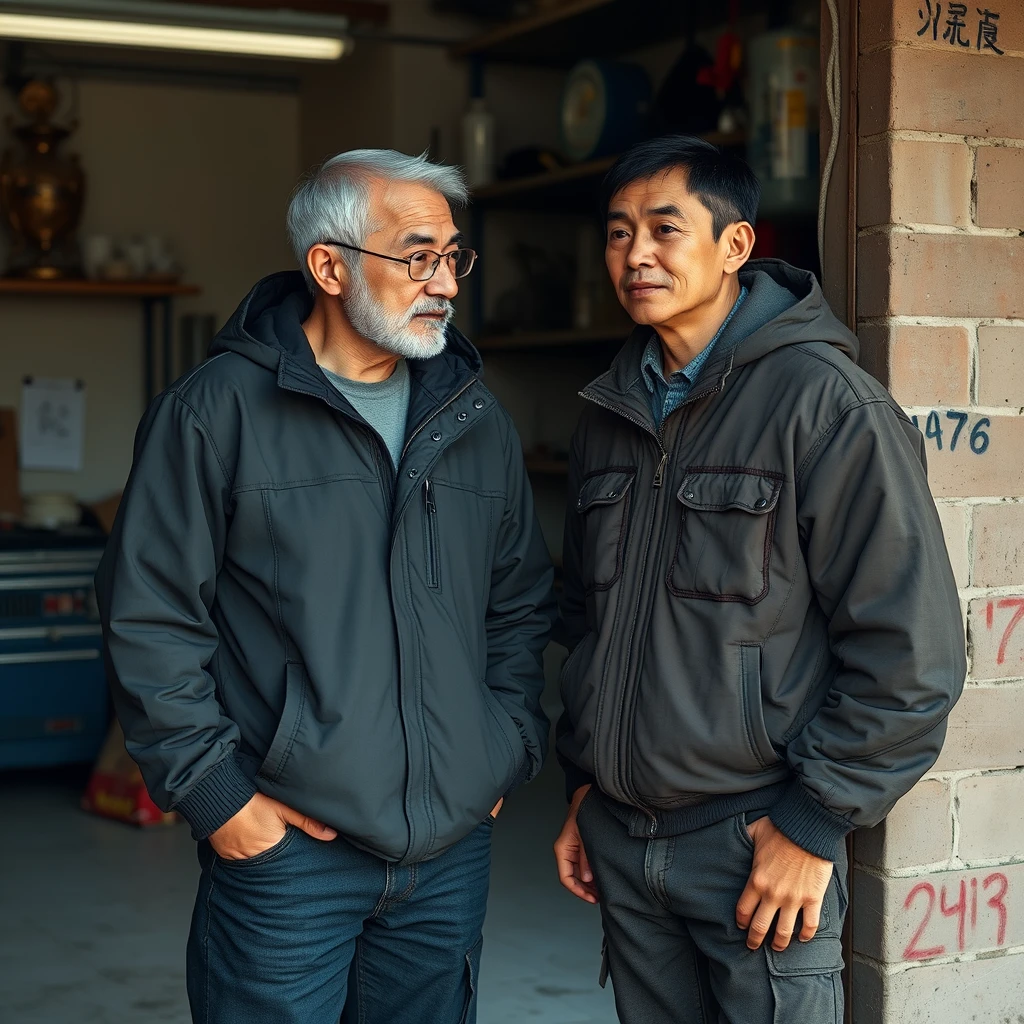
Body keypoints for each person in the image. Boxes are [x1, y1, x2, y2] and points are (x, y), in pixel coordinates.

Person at [96, 149, 556, 1024]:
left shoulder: (474, 419)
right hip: (288, 855)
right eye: (417, 255)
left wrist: (504, 745)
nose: (446, 283)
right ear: (329, 266)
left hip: (449, 853)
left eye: (454, 256)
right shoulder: (214, 412)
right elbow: (149, 618)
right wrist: (219, 799)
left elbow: (520, 602)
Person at [552, 135, 965, 1023]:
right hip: (624, 844)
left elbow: (913, 653)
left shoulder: (824, 405)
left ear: (736, 246)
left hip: (753, 849)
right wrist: (586, 782)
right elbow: (585, 622)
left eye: (667, 229)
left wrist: (816, 824)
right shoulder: (608, 415)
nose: (638, 255)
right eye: (619, 233)